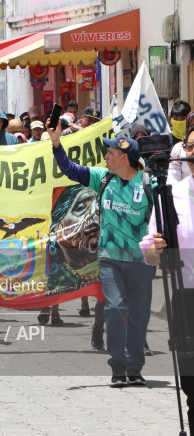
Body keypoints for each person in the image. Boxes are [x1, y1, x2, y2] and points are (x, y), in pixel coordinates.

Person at [49, 124, 154, 386]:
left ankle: (135, 368)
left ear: (123, 157)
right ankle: (118, 366)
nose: (105, 157)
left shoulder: (148, 184)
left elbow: (162, 219)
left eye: (110, 153)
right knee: (116, 307)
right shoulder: (102, 178)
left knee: (139, 315)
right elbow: (70, 169)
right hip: (110, 260)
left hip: (141, 262)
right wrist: (56, 144)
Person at [141, 125, 194, 428]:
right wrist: (157, 250)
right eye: (191, 146)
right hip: (186, 299)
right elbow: (150, 253)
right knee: (192, 389)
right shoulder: (171, 195)